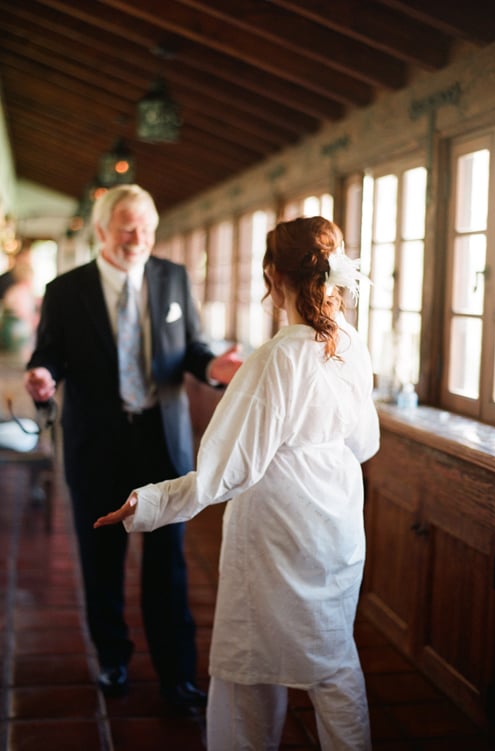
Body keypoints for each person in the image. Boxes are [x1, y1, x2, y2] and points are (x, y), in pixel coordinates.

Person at [94, 215, 380, 750]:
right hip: (337, 520)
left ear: (273, 276)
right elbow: (365, 445)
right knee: (334, 663)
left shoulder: (274, 359)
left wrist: (148, 502)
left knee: (249, 663)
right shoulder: (350, 344)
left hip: (276, 528)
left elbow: (225, 472)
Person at [24, 184, 242, 712]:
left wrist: (214, 368)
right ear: (102, 231)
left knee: (168, 562)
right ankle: (112, 656)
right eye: (126, 228)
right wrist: (43, 375)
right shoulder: (65, 290)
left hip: (161, 441)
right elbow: (50, 352)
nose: (138, 238)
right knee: (102, 557)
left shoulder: (172, 277)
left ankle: (177, 674)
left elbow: (191, 347)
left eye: (146, 227)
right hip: (95, 442)